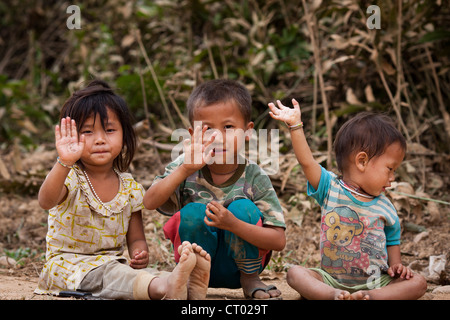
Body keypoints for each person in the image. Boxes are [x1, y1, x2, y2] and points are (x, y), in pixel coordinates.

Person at [35, 80, 210, 300]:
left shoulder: (129, 188)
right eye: (87, 131)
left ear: (124, 135)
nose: (99, 140)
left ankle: (184, 285)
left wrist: (140, 253)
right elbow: (46, 201)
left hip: (113, 264)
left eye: (109, 130)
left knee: (135, 273)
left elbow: (136, 238)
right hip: (68, 267)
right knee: (117, 276)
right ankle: (166, 287)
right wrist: (64, 161)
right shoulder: (69, 177)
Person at [268, 99, 427, 300]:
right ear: (362, 161)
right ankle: (333, 295)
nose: (393, 177)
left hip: (377, 281)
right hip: (331, 278)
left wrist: (396, 266)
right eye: (390, 169)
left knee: (419, 283)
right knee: (295, 273)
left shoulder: (386, 207)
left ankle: (371, 297)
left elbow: (393, 240)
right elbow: (307, 162)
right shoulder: (329, 188)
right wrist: (296, 127)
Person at [144, 79, 286, 299]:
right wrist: (183, 170)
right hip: (195, 267)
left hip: (239, 271)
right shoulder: (186, 165)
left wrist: (233, 224)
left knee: (242, 207)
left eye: (228, 127)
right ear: (193, 135)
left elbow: (278, 241)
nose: (217, 138)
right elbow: (150, 202)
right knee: (193, 212)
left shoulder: (254, 176)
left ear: (247, 132)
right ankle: (192, 281)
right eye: (208, 129)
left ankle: (250, 279)